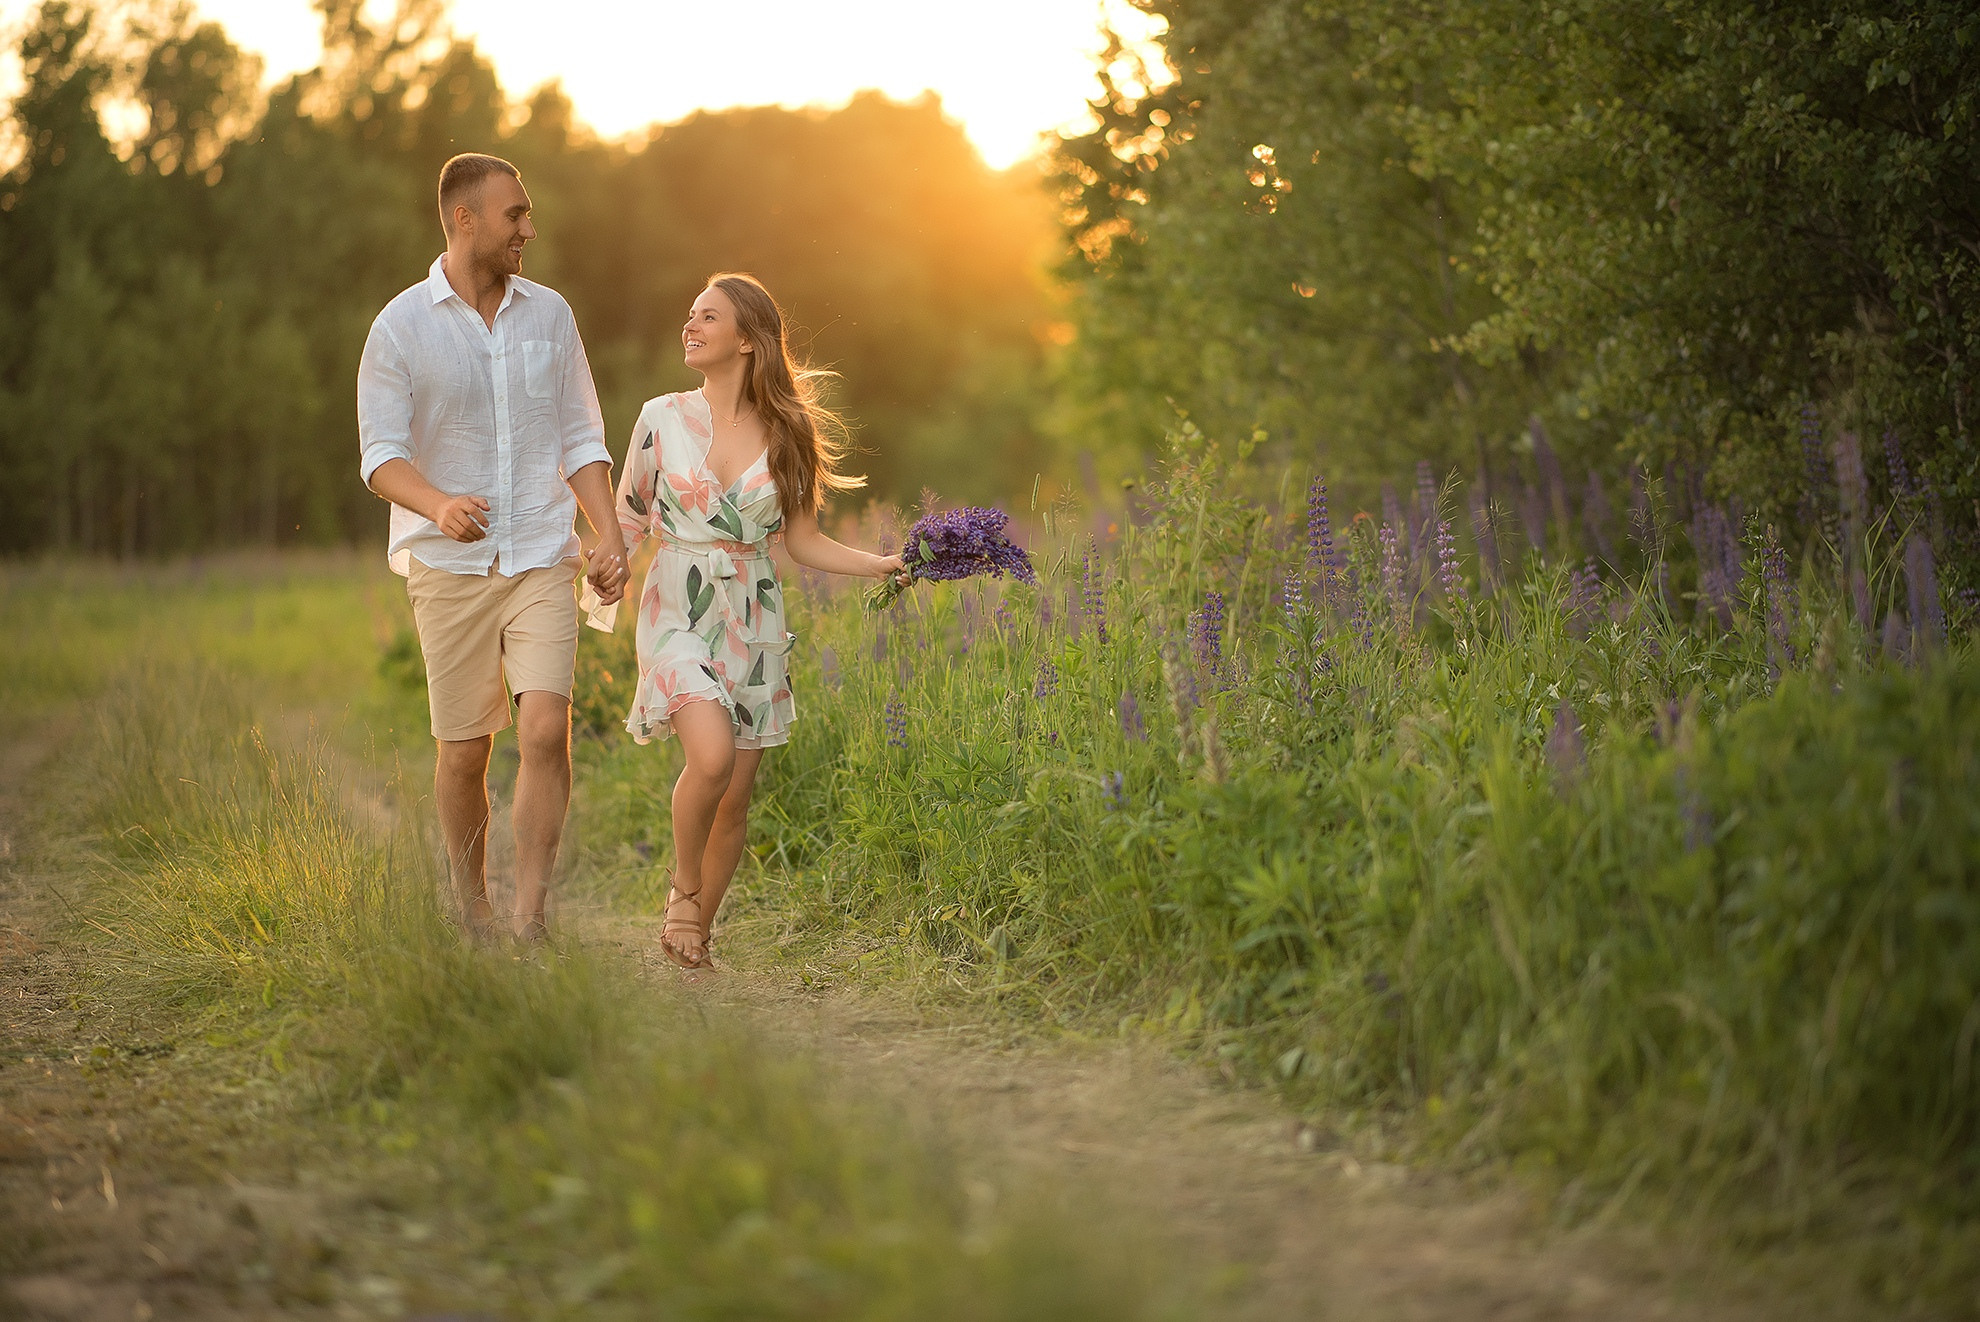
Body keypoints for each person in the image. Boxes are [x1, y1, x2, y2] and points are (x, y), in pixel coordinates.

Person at [587, 273, 901, 970]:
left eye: (708, 317)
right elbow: (631, 514)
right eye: (690, 315)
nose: (689, 326)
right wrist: (608, 566)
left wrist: (879, 564)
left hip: (753, 615)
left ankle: (699, 928)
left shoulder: (790, 431)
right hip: (676, 605)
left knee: (735, 799)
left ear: (749, 342)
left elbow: (802, 540)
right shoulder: (659, 417)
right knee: (712, 757)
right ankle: (682, 894)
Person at [357, 152, 631, 943]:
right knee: (464, 753)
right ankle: (471, 906)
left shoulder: (551, 316)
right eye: (515, 215)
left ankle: (530, 915)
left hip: (543, 552)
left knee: (547, 727)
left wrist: (607, 533)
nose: (529, 229)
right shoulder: (399, 326)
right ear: (465, 219)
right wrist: (437, 504)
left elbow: (580, 433)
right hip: (449, 567)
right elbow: (379, 455)